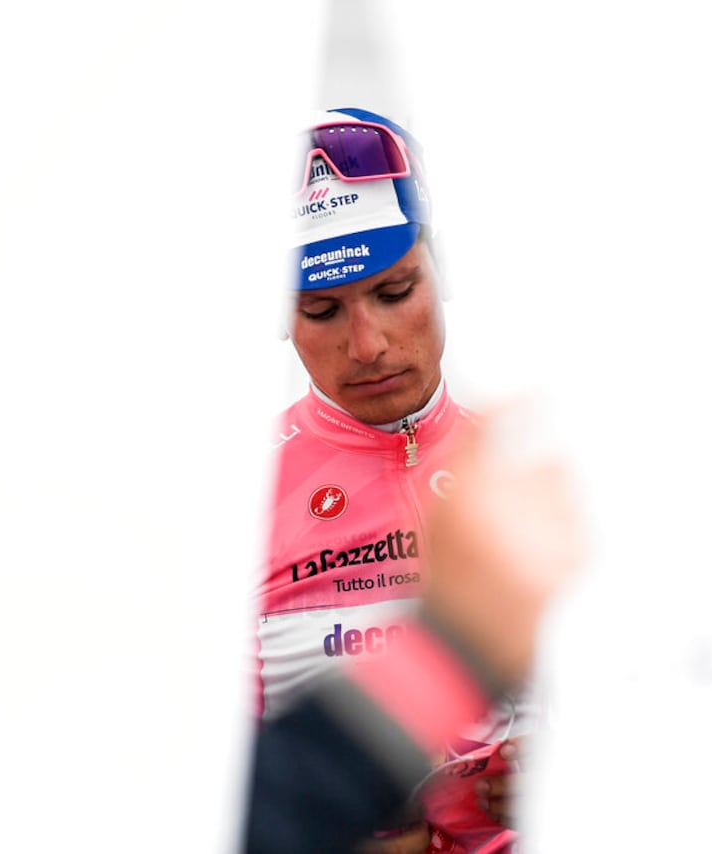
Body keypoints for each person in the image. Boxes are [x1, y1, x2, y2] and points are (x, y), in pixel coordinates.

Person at [248, 107, 542, 853]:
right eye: (322, 309)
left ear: (441, 269)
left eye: (393, 291)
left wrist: (580, 772)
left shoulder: (529, 463)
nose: (368, 345)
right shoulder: (239, 497)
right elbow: (205, 794)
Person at [243, 405, 582, 853]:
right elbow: (207, 780)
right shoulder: (246, 477)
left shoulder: (524, 463)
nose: (369, 362)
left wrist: (571, 776)